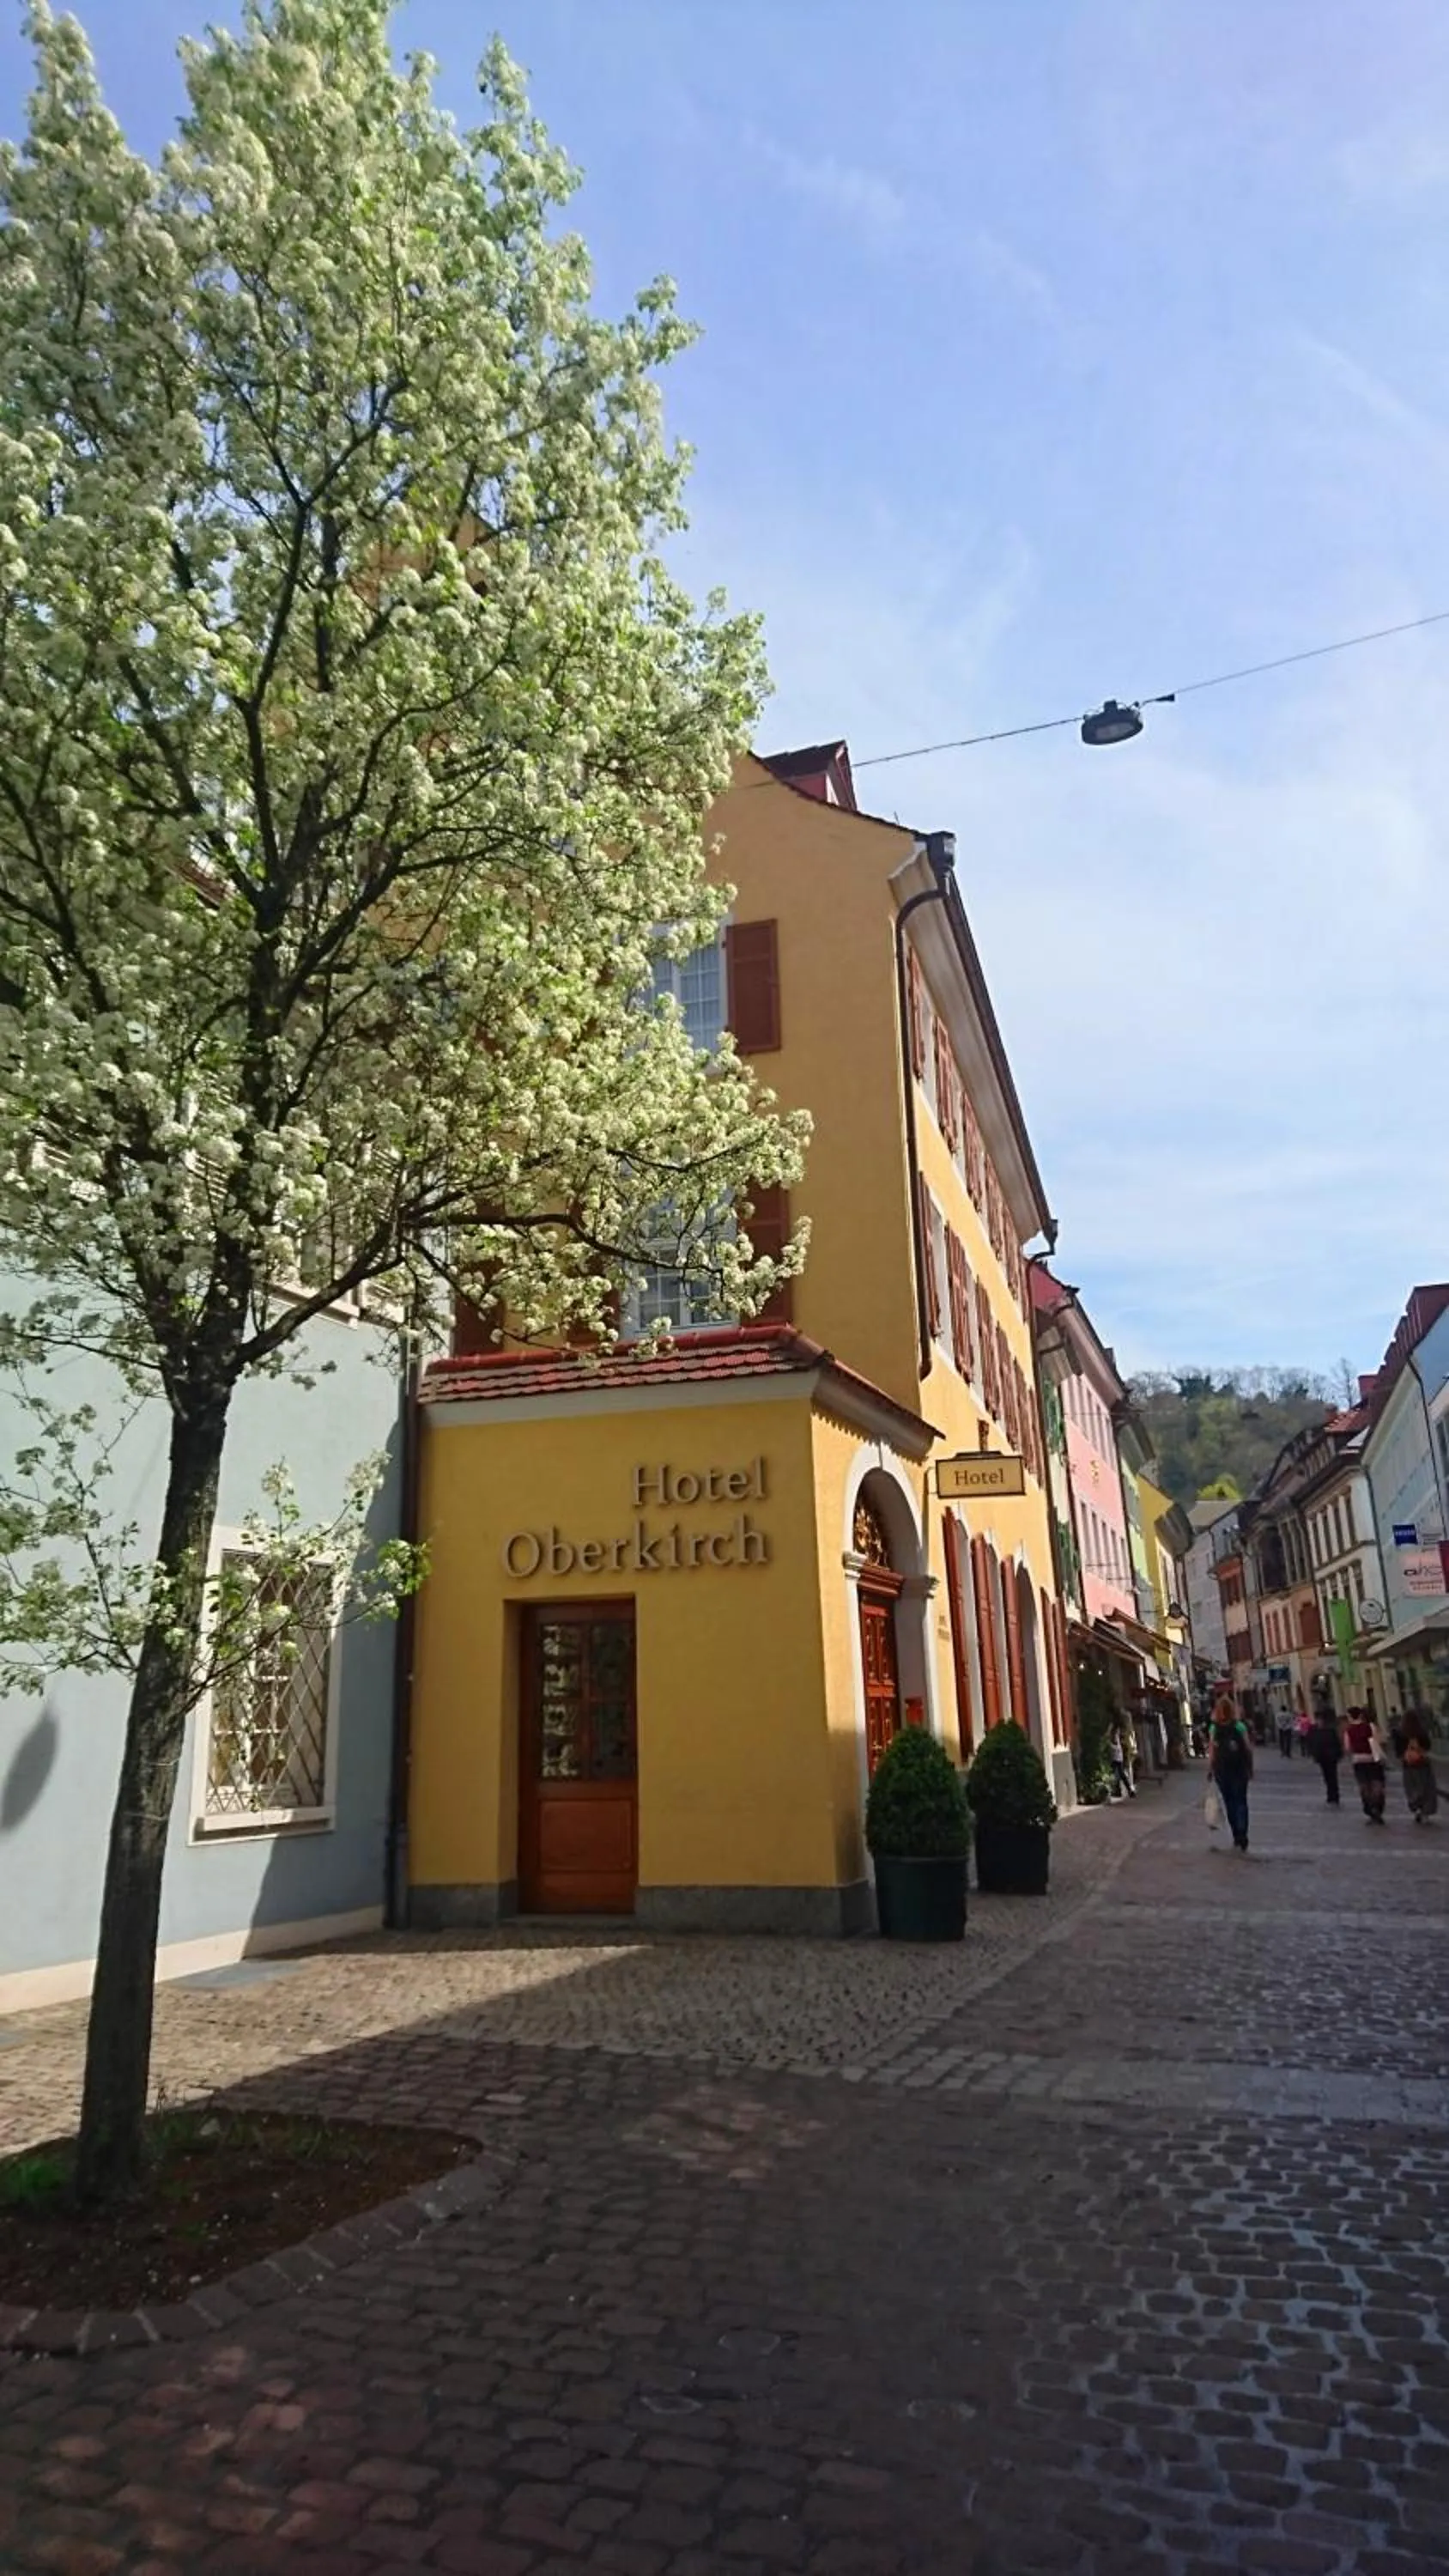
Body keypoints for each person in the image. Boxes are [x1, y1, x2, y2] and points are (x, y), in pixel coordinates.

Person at [1208, 1692, 1253, 1851]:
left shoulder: (1214, 1728)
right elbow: (1248, 1748)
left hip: (1222, 1769)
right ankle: (1243, 1834)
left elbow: (1212, 1750)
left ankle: (1236, 1834)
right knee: (1241, 1801)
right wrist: (1250, 1767)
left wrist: (1210, 1769)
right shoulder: (1239, 1726)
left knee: (1229, 1803)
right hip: (1239, 1768)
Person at [1343, 1704, 1387, 1824]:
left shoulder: (1349, 1730)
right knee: (1377, 1783)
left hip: (1358, 1760)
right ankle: (1378, 1807)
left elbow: (1347, 1747)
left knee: (1364, 1785)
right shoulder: (1370, 1726)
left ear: (1350, 1717)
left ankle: (1370, 1808)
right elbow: (1379, 1740)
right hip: (1373, 1758)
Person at [1397, 1705, 1440, 1825]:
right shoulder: (1421, 1732)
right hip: (1423, 1763)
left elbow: (1398, 1751)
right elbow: (1427, 1746)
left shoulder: (1401, 1733)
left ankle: (1416, 1808)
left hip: (1408, 1765)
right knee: (1427, 1787)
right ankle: (1425, 1812)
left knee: (1412, 1787)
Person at [1312, 1708, 1343, 1807]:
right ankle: (1330, 1795)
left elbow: (1337, 1743)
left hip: (1331, 1757)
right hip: (1323, 1758)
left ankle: (1334, 1796)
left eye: (1320, 1720)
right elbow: (1314, 1745)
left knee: (1332, 1777)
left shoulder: (1330, 1731)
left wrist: (1338, 1754)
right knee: (1327, 1777)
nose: (1319, 1722)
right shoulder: (1316, 1731)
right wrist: (1315, 1755)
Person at [1107, 1716, 1136, 1801]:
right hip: (1118, 1756)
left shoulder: (1115, 1733)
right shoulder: (1117, 1733)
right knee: (1120, 1774)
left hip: (1116, 1757)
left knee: (1118, 1774)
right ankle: (1127, 1790)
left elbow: (1115, 1745)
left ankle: (1122, 1790)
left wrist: (1109, 1743)